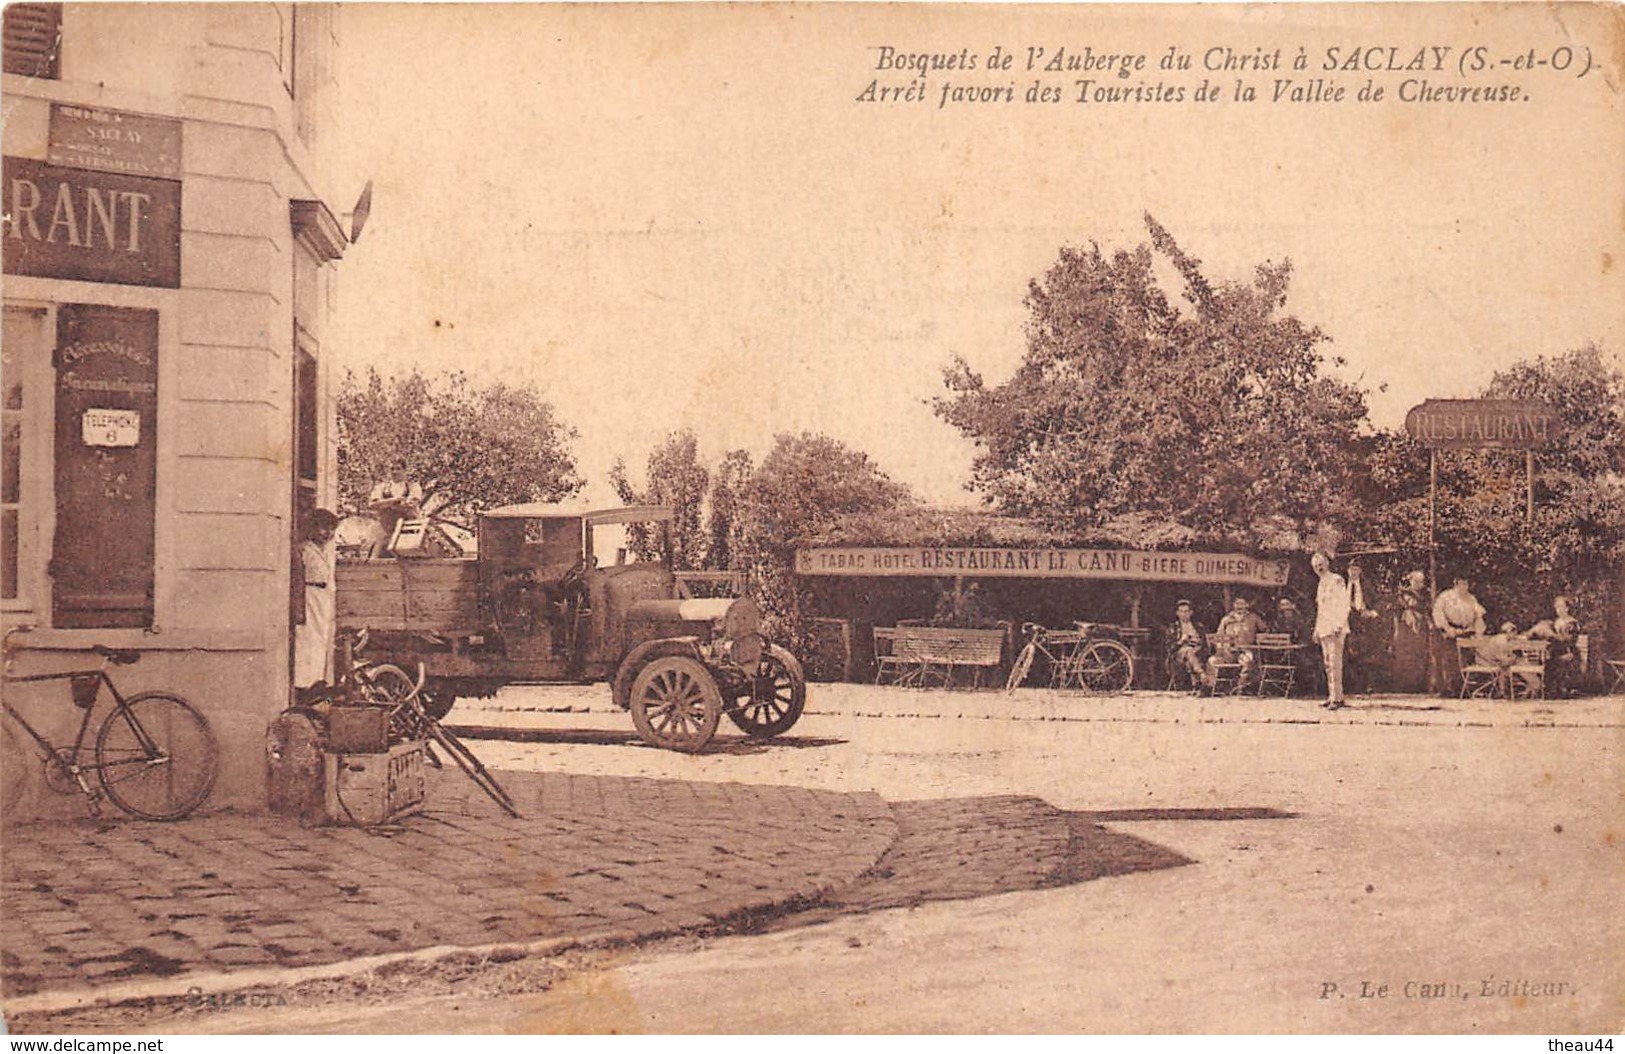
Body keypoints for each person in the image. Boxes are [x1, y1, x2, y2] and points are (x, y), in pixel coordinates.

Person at [293, 508, 341, 699]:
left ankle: (320, 683)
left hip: (325, 597)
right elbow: (297, 580)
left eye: (331, 530)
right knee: (309, 640)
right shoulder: (304, 549)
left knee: (324, 640)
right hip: (310, 595)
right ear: (312, 528)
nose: (327, 534)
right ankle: (305, 684)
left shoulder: (327, 550)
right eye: (323, 528)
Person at [1431, 575, 1487, 696]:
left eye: (1466, 584)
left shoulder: (1471, 599)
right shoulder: (1446, 597)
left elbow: (1478, 617)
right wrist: (1447, 628)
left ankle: (1462, 689)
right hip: (1449, 631)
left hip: (1466, 632)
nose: (1464, 587)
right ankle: (1448, 690)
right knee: (1450, 661)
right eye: (1461, 584)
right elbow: (1438, 614)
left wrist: (1478, 632)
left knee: (1465, 661)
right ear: (1455, 584)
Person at [1311, 551, 1352, 710]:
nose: (1318, 568)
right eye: (1315, 566)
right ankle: (1332, 695)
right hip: (1324, 628)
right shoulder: (1321, 583)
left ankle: (1338, 698)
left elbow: (1343, 604)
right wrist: (1316, 629)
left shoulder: (1336, 580)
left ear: (1327, 563)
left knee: (1335, 663)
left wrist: (1338, 625)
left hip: (1335, 628)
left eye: (1320, 564)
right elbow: (1321, 609)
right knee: (1328, 663)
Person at [1529, 595, 1583, 697]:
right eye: (1557, 607)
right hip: (1556, 652)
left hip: (1569, 652)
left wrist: (1551, 635)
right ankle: (1546, 690)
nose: (1558, 609)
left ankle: (1560, 690)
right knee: (1546, 660)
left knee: (1554, 662)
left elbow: (1568, 640)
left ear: (1567, 608)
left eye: (1561, 606)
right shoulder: (1556, 622)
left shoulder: (1571, 623)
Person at [1209, 596, 1268, 688]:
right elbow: (1218, 636)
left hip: (1245, 651)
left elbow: (1265, 629)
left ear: (1247, 605)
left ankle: (1241, 687)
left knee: (1248, 661)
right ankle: (1210, 687)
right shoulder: (1226, 619)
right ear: (1233, 605)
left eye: (1242, 604)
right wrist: (1221, 647)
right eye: (1237, 604)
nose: (1239, 606)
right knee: (1211, 661)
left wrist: (1259, 638)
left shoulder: (1253, 617)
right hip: (1228, 653)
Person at [1388, 570, 1431, 694]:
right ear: (1410, 581)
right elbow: (1396, 613)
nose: (1418, 584)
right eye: (1415, 581)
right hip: (1406, 627)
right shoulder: (1402, 596)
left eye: (1420, 581)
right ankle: (1405, 685)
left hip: (1421, 626)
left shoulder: (1426, 595)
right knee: (1407, 655)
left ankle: (1419, 684)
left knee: (1420, 654)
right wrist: (1397, 630)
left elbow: (1428, 611)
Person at [1344, 562, 1384, 695]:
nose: (1353, 572)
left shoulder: (1367, 585)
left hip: (1363, 621)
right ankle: (1351, 686)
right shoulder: (1341, 584)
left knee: (1365, 653)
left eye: (1356, 569)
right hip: (1346, 620)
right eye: (1351, 569)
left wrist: (1372, 613)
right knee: (1349, 653)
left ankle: (1367, 685)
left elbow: (1379, 601)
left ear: (1360, 571)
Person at [1166, 599, 1209, 691]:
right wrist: (1181, 641)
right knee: (1188, 651)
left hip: (1198, 653)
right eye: (1181, 611)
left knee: (1190, 658)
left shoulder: (1198, 627)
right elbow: (1169, 648)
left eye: (1186, 611)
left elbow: (1205, 645)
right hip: (1179, 655)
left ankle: (1196, 684)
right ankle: (1201, 674)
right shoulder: (1173, 628)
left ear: (1191, 613)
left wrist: (1198, 647)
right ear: (1177, 613)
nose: (1184, 614)